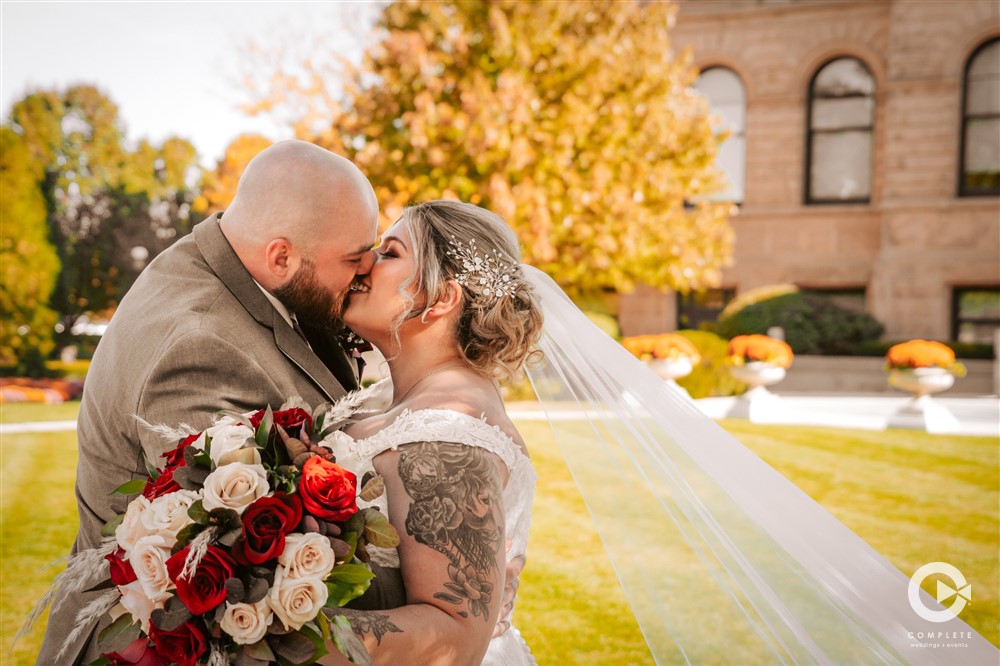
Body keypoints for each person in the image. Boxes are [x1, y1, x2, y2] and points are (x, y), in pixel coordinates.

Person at [37, 140, 383, 665]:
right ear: (281, 255)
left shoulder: (231, 266)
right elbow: (249, 573)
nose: (367, 274)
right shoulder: (200, 347)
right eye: (355, 260)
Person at [312, 200, 542, 665]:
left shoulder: (448, 428)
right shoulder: (400, 400)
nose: (365, 263)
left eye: (391, 253)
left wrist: (272, 626)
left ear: (441, 299)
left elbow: (454, 637)